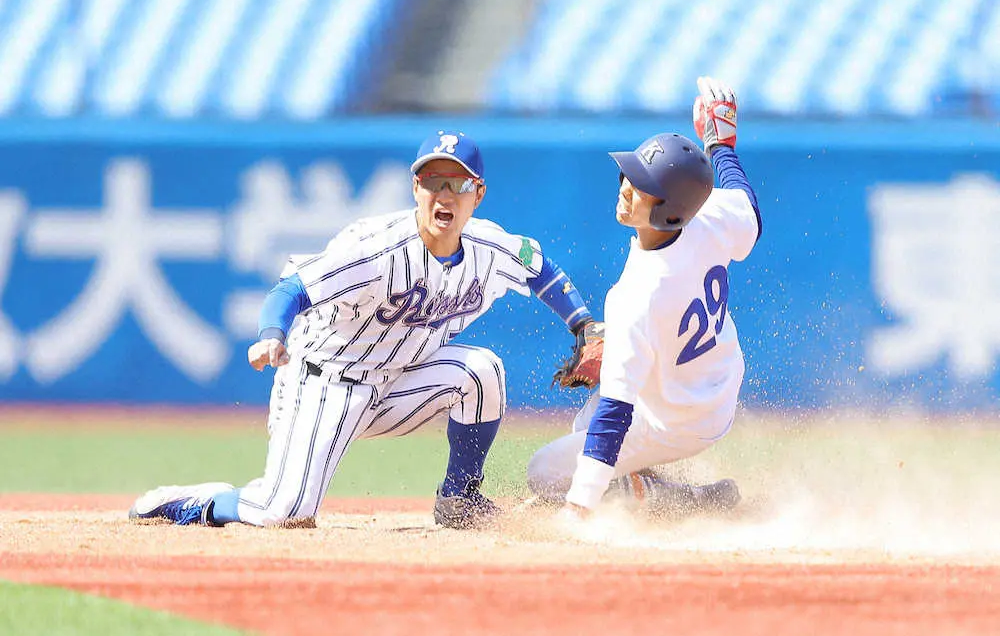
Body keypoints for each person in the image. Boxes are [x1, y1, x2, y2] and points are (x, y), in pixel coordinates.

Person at [130, 130, 601, 530]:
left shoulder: (487, 246)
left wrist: (581, 324)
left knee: (482, 372)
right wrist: (272, 332)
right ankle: (192, 501)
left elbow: (541, 269)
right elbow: (293, 287)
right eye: (431, 181)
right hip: (325, 381)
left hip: (398, 382)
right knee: (286, 511)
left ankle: (459, 500)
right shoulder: (376, 251)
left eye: (456, 182)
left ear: (477, 194)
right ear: (415, 188)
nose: (444, 194)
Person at [526, 77, 762, 518]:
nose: (625, 186)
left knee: (544, 472)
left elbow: (616, 414)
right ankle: (653, 487)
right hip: (718, 386)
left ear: (669, 209)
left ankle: (677, 501)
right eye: (629, 174)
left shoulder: (637, 294)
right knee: (583, 423)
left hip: (676, 421)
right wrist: (721, 145)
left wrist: (578, 506)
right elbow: (747, 207)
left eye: (641, 183)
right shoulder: (708, 214)